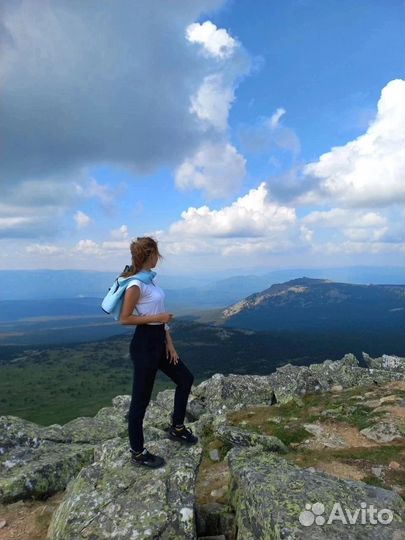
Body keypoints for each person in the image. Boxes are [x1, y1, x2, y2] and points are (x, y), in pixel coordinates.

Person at [120, 236, 198, 468]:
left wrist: (170, 344)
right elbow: (125, 318)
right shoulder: (136, 284)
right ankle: (137, 452)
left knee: (185, 379)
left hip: (159, 342)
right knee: (140, 402)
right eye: (155, 254)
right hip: (144, 345)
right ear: (148, 255)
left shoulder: (150, 281)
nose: (158, 258)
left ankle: (177, 427)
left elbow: (160, 316)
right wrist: (159, 318)